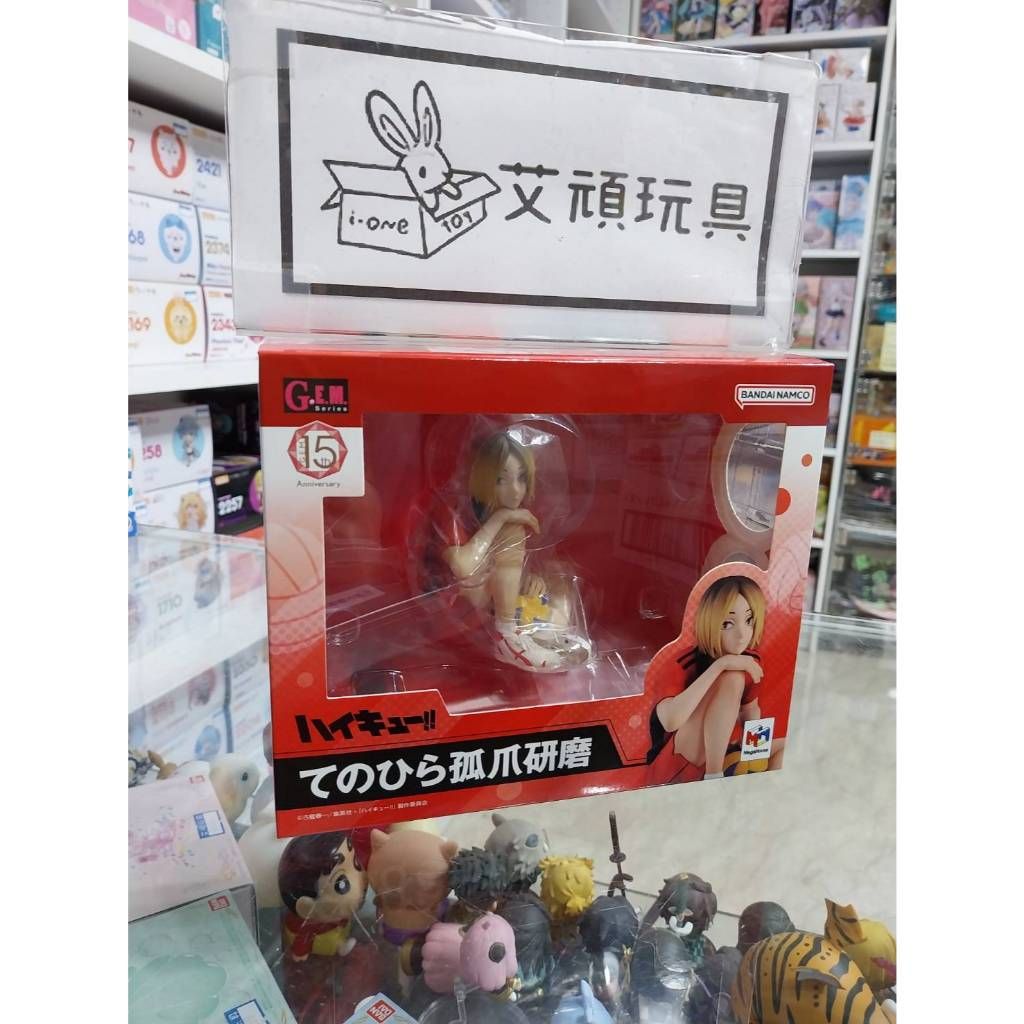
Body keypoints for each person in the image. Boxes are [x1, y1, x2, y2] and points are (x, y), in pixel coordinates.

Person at [442, 428, 591, 673]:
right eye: (501, 480)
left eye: (521, 478)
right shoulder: (456, 514)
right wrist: (501, 518)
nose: (515, 491)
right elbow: (463, 568)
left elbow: (515, 563)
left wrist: (532, 578)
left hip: (496, 599)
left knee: (559, 574)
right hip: (462, 603)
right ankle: (507, 637)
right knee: (512, 531)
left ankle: (544, 634)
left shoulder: (523, 514)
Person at [646, 575, 778, 782]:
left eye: (749, 621)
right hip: (673, 763)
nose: (741, 634)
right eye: (727, 623)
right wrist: (720, 665)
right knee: (733, 677)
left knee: (781, 749)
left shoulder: (751, 661)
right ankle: (714, 776)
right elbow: (670, 721)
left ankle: (748, 780)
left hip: (717, 750)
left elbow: (750, 710)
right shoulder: (682, 663)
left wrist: (754, 757)